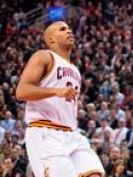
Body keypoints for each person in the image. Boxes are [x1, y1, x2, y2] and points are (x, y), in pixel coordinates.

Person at [15, 20, 105, 177]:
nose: (69, 31)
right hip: (45, 132)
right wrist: (56, 91)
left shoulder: (75, 70)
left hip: (71, 133)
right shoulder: (44, 56)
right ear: (51, 39)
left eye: (69, 29)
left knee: (95, 174)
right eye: (62, 29)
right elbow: (22, 91)